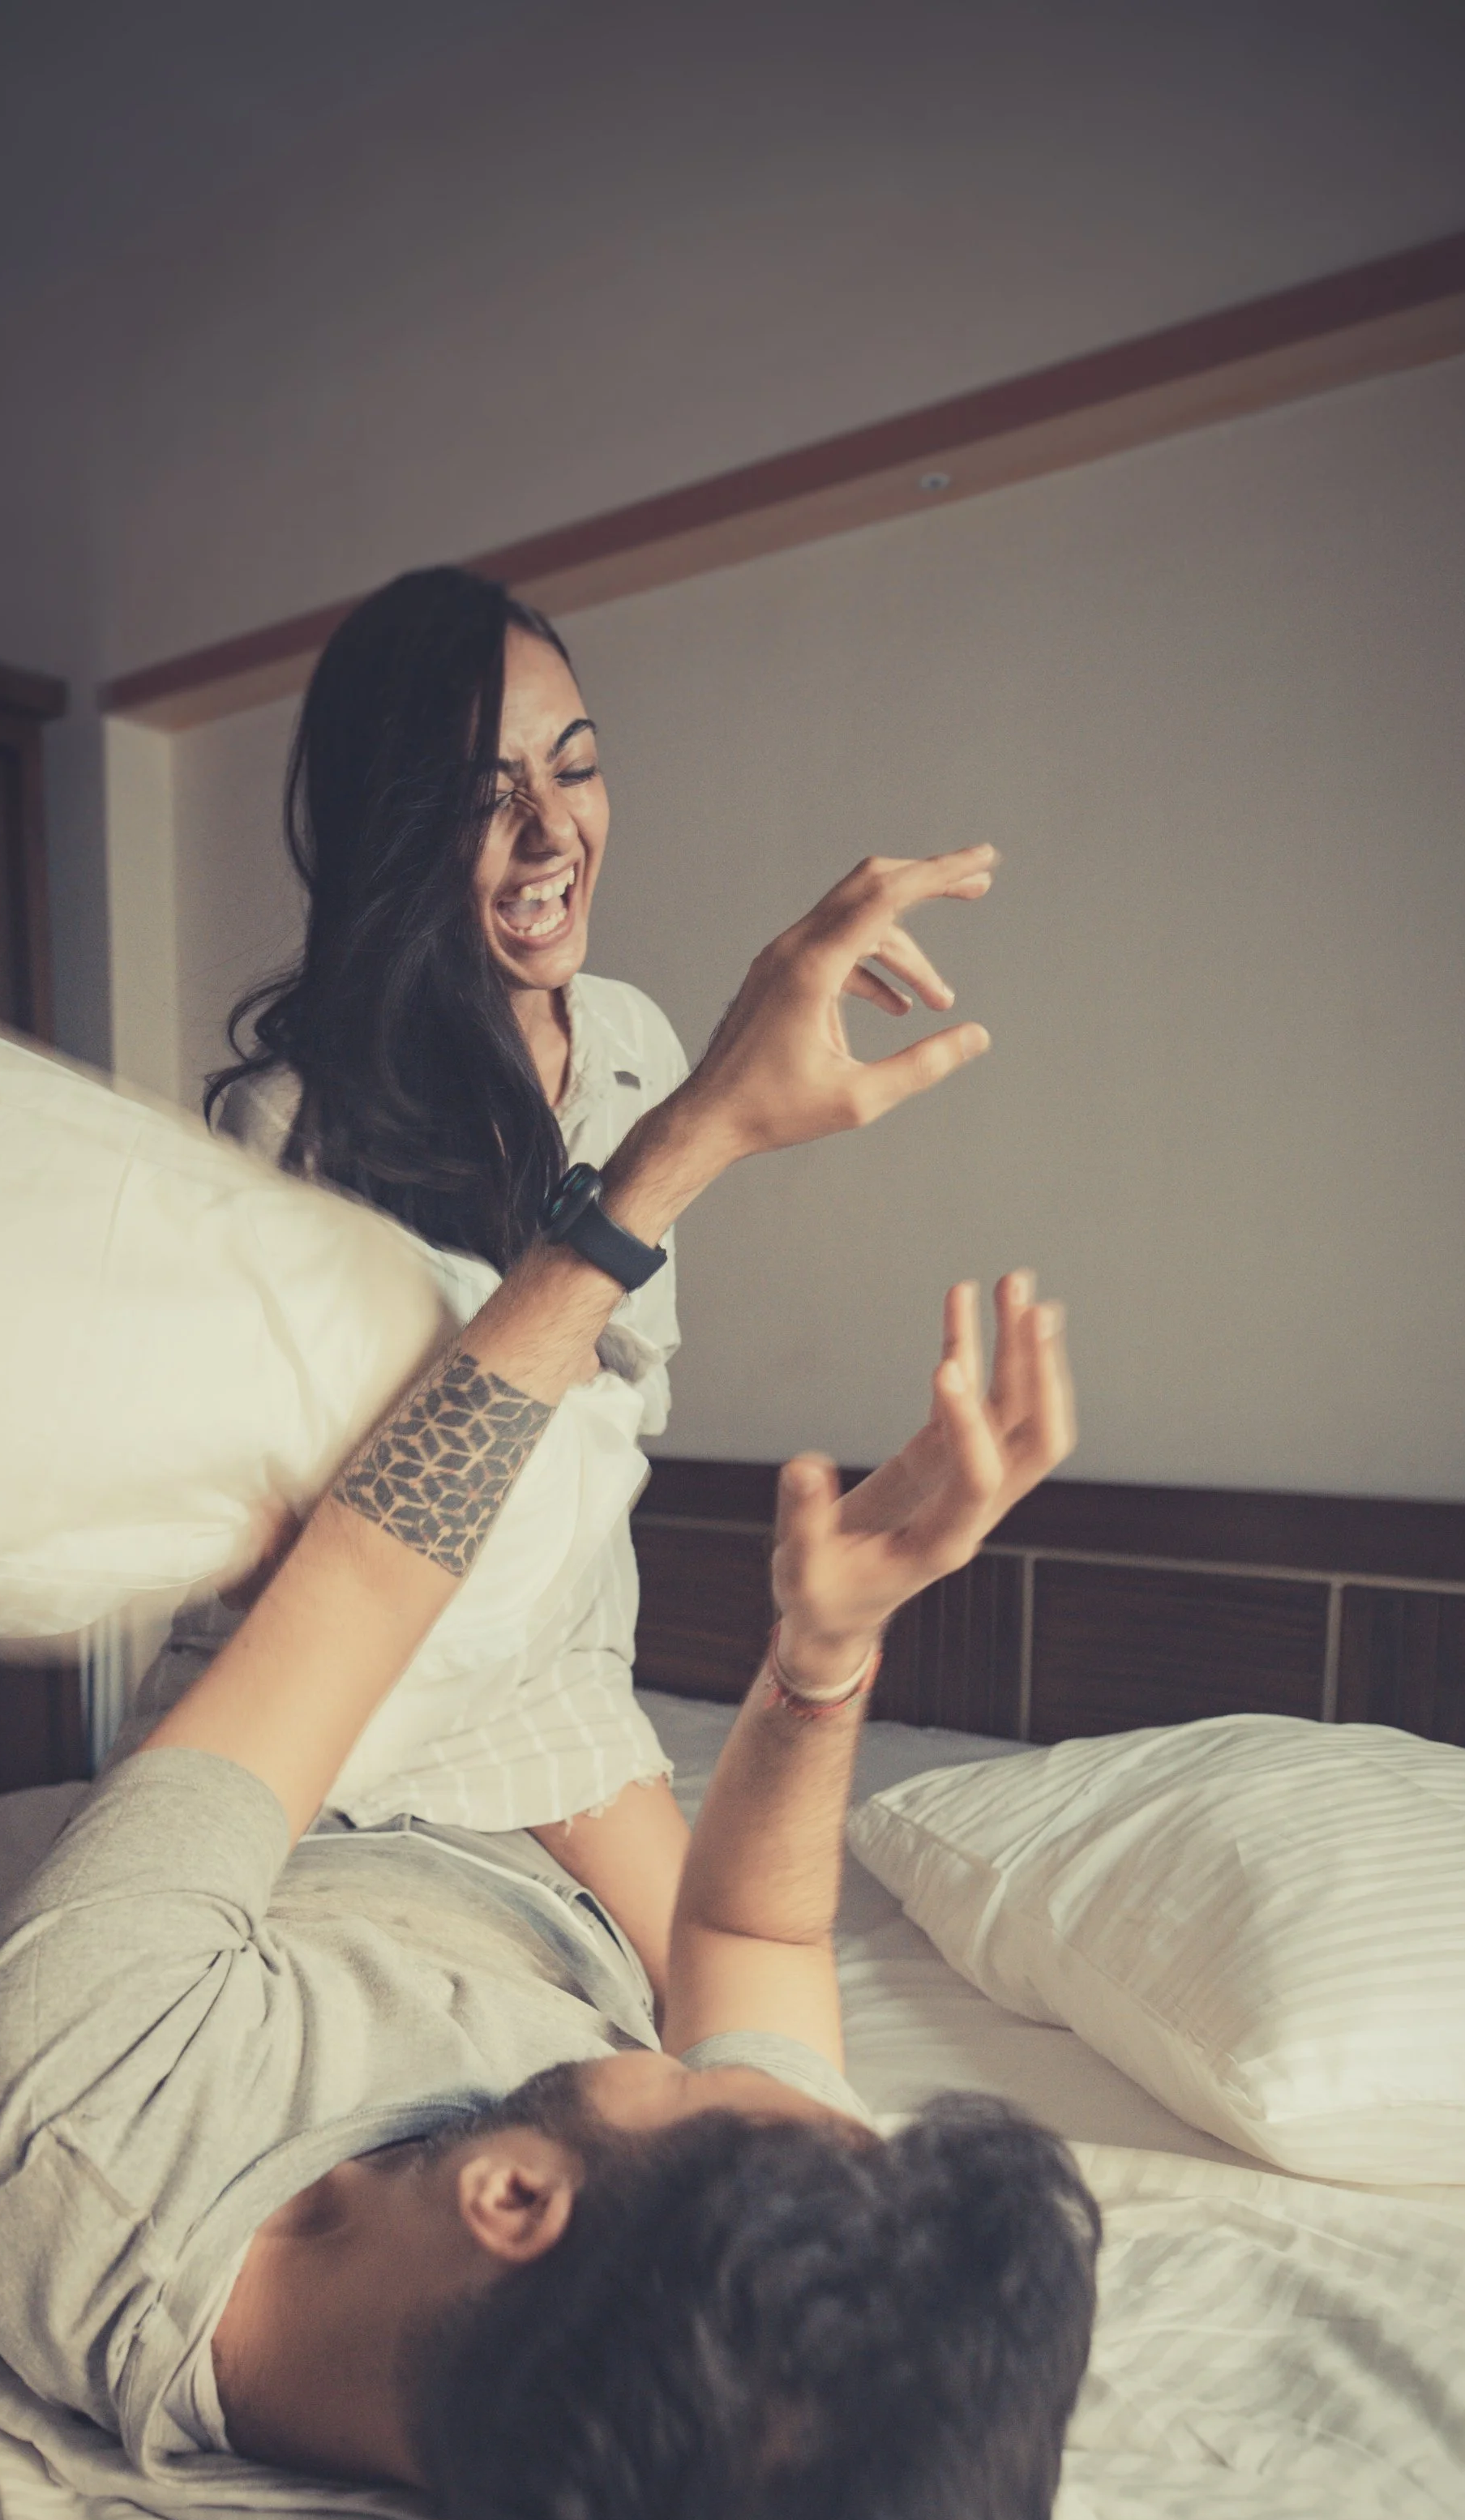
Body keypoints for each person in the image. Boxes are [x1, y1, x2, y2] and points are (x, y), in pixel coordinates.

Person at [0, 845, 1099, 2520]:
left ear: (514, 2205)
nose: (793, 2087)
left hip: (326, 1763)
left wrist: (673, 1155)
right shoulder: (676, 2294)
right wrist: (823, 1659)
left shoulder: (81, 2109)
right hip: (474, 1786)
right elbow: (745, 1952)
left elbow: (363, 1595)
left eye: (741, 2101)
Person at [137, 567, 963, 2005]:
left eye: (573, 768)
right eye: (481, 795)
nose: (548, 831)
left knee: (739, 2026)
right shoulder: (293, 1124)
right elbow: (316, 1549)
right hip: (334, 1686)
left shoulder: (633, 1042)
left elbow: (617, 1410)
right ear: (396, 828)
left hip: (557, 1689)